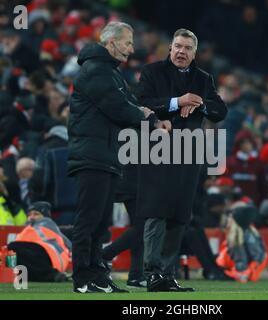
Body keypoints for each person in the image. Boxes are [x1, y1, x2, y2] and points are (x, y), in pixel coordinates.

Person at [67, 22, 168, 294]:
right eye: (127, 43)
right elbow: (119, 108)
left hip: (107, 155)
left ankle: (98, 275)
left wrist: (146, 113)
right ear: (110, 44)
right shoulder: (97, 72)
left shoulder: (108, 72)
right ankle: (83, 278)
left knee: (100, 223)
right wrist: (147, 116)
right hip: (92, 155)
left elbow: (126, 106)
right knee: (89, 220)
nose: (131, 49)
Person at [135, 28, 228, 292]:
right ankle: (152, 273)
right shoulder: (153, 72)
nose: (181, 52)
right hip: (158, 151)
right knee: (156, 211)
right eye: (177, 46)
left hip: (188, 155)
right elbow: (140, 102)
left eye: (187, 48)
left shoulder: (203, 78)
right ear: (170, 48)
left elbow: (220, 110)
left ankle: (167, 273)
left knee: (180, 215)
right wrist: (177, 102)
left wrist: (198, 104)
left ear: (194, 53)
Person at [7, 201, 71, 282]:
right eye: (29, 214)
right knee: (11, 251)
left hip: (47, 257)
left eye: (36, 214)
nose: (31, 217)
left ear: (45, 216)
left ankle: (52, 275)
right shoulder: (28, 229)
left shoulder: (47, 223)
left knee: (13, 247)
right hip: (38, 259)